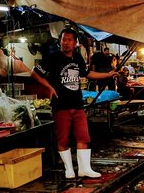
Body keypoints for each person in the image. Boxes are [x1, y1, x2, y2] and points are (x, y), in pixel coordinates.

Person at [31, 28, 117, 179]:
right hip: (60, 105)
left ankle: (84, 169)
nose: (66, 43)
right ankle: (68, 169)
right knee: (63, 139)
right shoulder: (53, 57)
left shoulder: (77, 57)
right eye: (64, 39)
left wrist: (107, 75)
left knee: (83, 137)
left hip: (77, 104)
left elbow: (87, 74)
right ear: (60, 41)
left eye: (69, 40)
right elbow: (34, 73)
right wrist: (49, 87)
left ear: (75, 43)